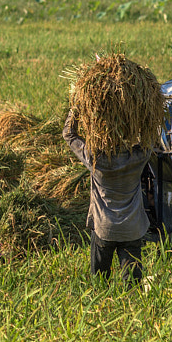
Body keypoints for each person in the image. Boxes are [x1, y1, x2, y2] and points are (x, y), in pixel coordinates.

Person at [63, 107, 152, 281]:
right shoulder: (137, 157)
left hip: (105, 228)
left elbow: (69, 134)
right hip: (131, 229)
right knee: (132, 285)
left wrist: (76, 109)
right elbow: (152, 138)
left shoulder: (96, 159)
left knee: (100, 282)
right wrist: (142, 111)